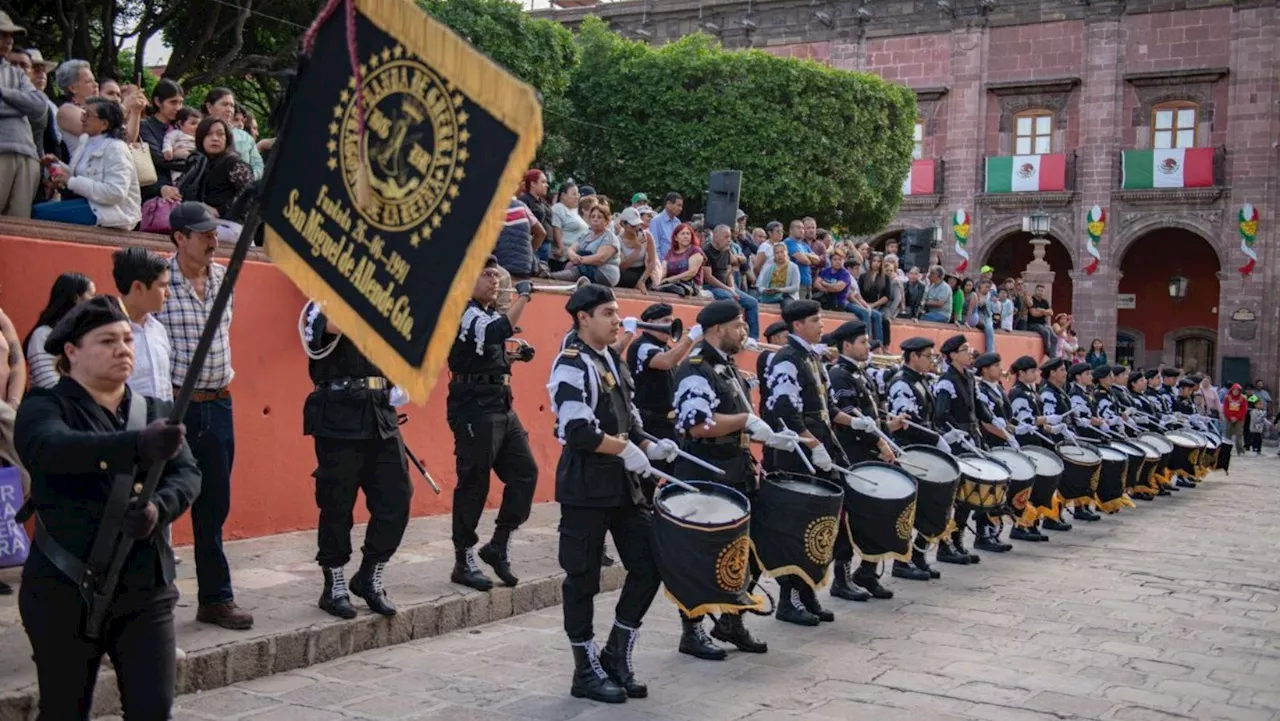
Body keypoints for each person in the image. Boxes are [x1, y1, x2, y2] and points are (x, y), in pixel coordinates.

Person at [15, 295, 200, 720]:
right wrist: (133, 446)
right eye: (107, 341)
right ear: (71, 352)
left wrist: (158, 507)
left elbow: (188, 475)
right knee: (64, 709)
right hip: (64, 585)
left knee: (153, 709)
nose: (123, 349)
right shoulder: (44, 406)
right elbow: (51, 448)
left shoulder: (155, 411)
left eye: (127, 340)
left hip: (144, 587)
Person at [547, 283, 670, 704]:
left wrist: (652, 446)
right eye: (609, 313)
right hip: (586, 483)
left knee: (650, 565)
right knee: (582, 578)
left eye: (617, 312)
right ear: (583, 318)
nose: (619, 319)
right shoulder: (570, 364)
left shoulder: (612, 363)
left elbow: (630, 422)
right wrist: (627, 449)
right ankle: (585, 668)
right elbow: (577, 430)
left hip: (623, 483)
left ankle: (616, 652)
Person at [155, 201, 253, 630]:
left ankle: (215, 598)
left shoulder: (224, 277)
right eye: (203, 233)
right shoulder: (157, 278)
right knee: (159, 501)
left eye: (214, 232)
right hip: (175, 406)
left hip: (219, 401)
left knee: (215, 504)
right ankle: (148, 598)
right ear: (179, 238)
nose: (214, 240)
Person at [668, 300, 776, 659]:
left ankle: (731, 619)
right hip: (706, 470)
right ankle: (692, 629)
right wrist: (744, 423)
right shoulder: (697, 368)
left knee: (750, 549)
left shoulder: (726, 366)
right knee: (699, 555)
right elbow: (697, 424)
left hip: (737, 467)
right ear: (718, 329)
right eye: (738, 325)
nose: (744, 332)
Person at [301, 293, 413, 618]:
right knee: (337, 502)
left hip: (380, 415)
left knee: (397, 498)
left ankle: (369, 575)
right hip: (338, 415)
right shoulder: (319, 304)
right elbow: (332, 327)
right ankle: (333, 583)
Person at [446, 258, 539, 591]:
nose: (495, 279)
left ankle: (498, 544)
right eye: (485, 274)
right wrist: (524, 298)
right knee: (474, 481)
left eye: (495, 274)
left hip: (500, 401)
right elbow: (493, 332)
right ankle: (464, 558)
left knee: (525, 473)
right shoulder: (462, 310)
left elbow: (484, 350)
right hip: (473, 405)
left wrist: (513, 357)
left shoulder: (486, 313)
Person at [759, 299, 846, 626]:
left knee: (818, 526)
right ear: (798, 325)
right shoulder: (787, 360)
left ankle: (807, 591)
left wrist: (862, 426)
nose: (821, 325)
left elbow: (830, 408)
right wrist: (813, 444)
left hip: (819, 450)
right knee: (797, 528)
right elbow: (785, 412)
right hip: (797, 456)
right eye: (815, 320)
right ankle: (789, 598)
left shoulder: (812, 357)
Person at [826, 319, 913, 595]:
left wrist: (891, 426)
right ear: (846, 345)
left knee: (874, 517)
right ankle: (841, 579)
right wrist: (881, 441)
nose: (867, 347)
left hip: (869, 453)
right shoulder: (840, 374)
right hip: (853, 456)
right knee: (851, 521)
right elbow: (849, 416)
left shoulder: (859, 373)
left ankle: (867, 572)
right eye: (862, 342)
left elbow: (871, 419)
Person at [932, 335, 998, 562]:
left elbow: (979, 407)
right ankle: (945, 543)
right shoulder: (946, 380)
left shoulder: (970, 377)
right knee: (955, 496)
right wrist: (952, 432)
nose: (970, 353)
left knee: (968, 496)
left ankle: (958, 540)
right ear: (952, 355)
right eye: (964, 349)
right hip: (957, 440)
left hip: (972, 437)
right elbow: (941, 413)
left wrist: (994, 420)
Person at [886, 337, 945, 579]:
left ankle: (919, 556)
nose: (931, 360)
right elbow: (906, 422)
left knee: (926, 505)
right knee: (909, 508)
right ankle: (902, 561)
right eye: (927, 356)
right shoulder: (902, 383)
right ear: (913, 357)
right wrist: (935, 438)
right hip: (910, 450)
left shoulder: (920, 380)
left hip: (924, 448)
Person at [34, 96, 142, 229]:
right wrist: (57, 165)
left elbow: (116, 192)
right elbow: (83, 174)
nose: (82, 119)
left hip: (112, 213)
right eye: (83, 113)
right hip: (89, 203)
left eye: (88, 115)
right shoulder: (85, 140)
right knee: (37, 209)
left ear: (104, 124)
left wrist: (70, 181)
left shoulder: (116, 148)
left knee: (38, 213)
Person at [0, 16, 47, 219]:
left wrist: (4, 93)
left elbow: (39, 107)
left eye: (10, 35)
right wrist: (20, 105)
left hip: (28, 155)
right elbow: (30, 105)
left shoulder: (16, 74)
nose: (9, 40)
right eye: (2, 35)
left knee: (19, 228)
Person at [25, 272, 97, 390]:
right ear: (76, 298)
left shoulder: (83, 334)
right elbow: (48, 381)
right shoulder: (43, 335)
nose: (94, 301)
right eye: (92, 295)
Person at [703, 224, 760, 339]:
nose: (729, 240)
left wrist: (732, 287)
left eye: (730, 237)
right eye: (726, 237)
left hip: (726, 286)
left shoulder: (726, 250)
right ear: (716, 237)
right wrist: (728, 290)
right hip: (710, 286)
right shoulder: (706, 250)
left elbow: (729, 272)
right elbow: (708, 277)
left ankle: (753, 339)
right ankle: (731, 335)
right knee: (730, 301)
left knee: (753, 302)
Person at [201, 88, 263, 179]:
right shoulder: (197, 131)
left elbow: (258, 166)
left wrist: (246, 179)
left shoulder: (245, 137)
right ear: (209, 107)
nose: (229, 109)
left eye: (232, 106)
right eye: (224, 104)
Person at [54, 59, 98, 158]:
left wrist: (135, 112)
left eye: (94, 80)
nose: (96, 85)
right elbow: (100, 131)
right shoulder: (66, 110)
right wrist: (124, 108)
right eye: (89, 81)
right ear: (73, 88)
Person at [616, 207, 658, 291]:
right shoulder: (618, 240)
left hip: (643, 272)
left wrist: (642, 281)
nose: (636, 228)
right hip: (626, 272)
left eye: (638, 224)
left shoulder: (647, 236)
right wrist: (637, 249)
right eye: (633, 226)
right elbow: (622, 266)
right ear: (623, 224)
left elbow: (652, 262)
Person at [1024, 285, 1057, 356]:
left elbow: (1051, 313)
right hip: (1033, 324)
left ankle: (1053, 356)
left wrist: (1041, 310)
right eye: (1039, 290)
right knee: (1046, 332)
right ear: (1035, 291)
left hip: (1043, 324)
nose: (1040, 292)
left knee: (1054, 338)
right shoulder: (1031, 300)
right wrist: (1045, 312)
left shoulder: (1045, 302)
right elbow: (1034, 314)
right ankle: (1047, 351)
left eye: (1042, 291)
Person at [1223, 383, 1248, 454]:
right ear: (1232, 390)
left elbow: (1244, 409)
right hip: (1229, 418)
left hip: (1239, 419)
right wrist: (1230, 417)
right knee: (1228, 434)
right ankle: (1227, 449)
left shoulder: (1243, 398)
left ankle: (1240, 449)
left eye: (1237, 390)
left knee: (1239, 434)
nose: (1236, 392)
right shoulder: (1227, 397)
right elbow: (1225, 408)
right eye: (1234, 390)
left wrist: (1237, 417)